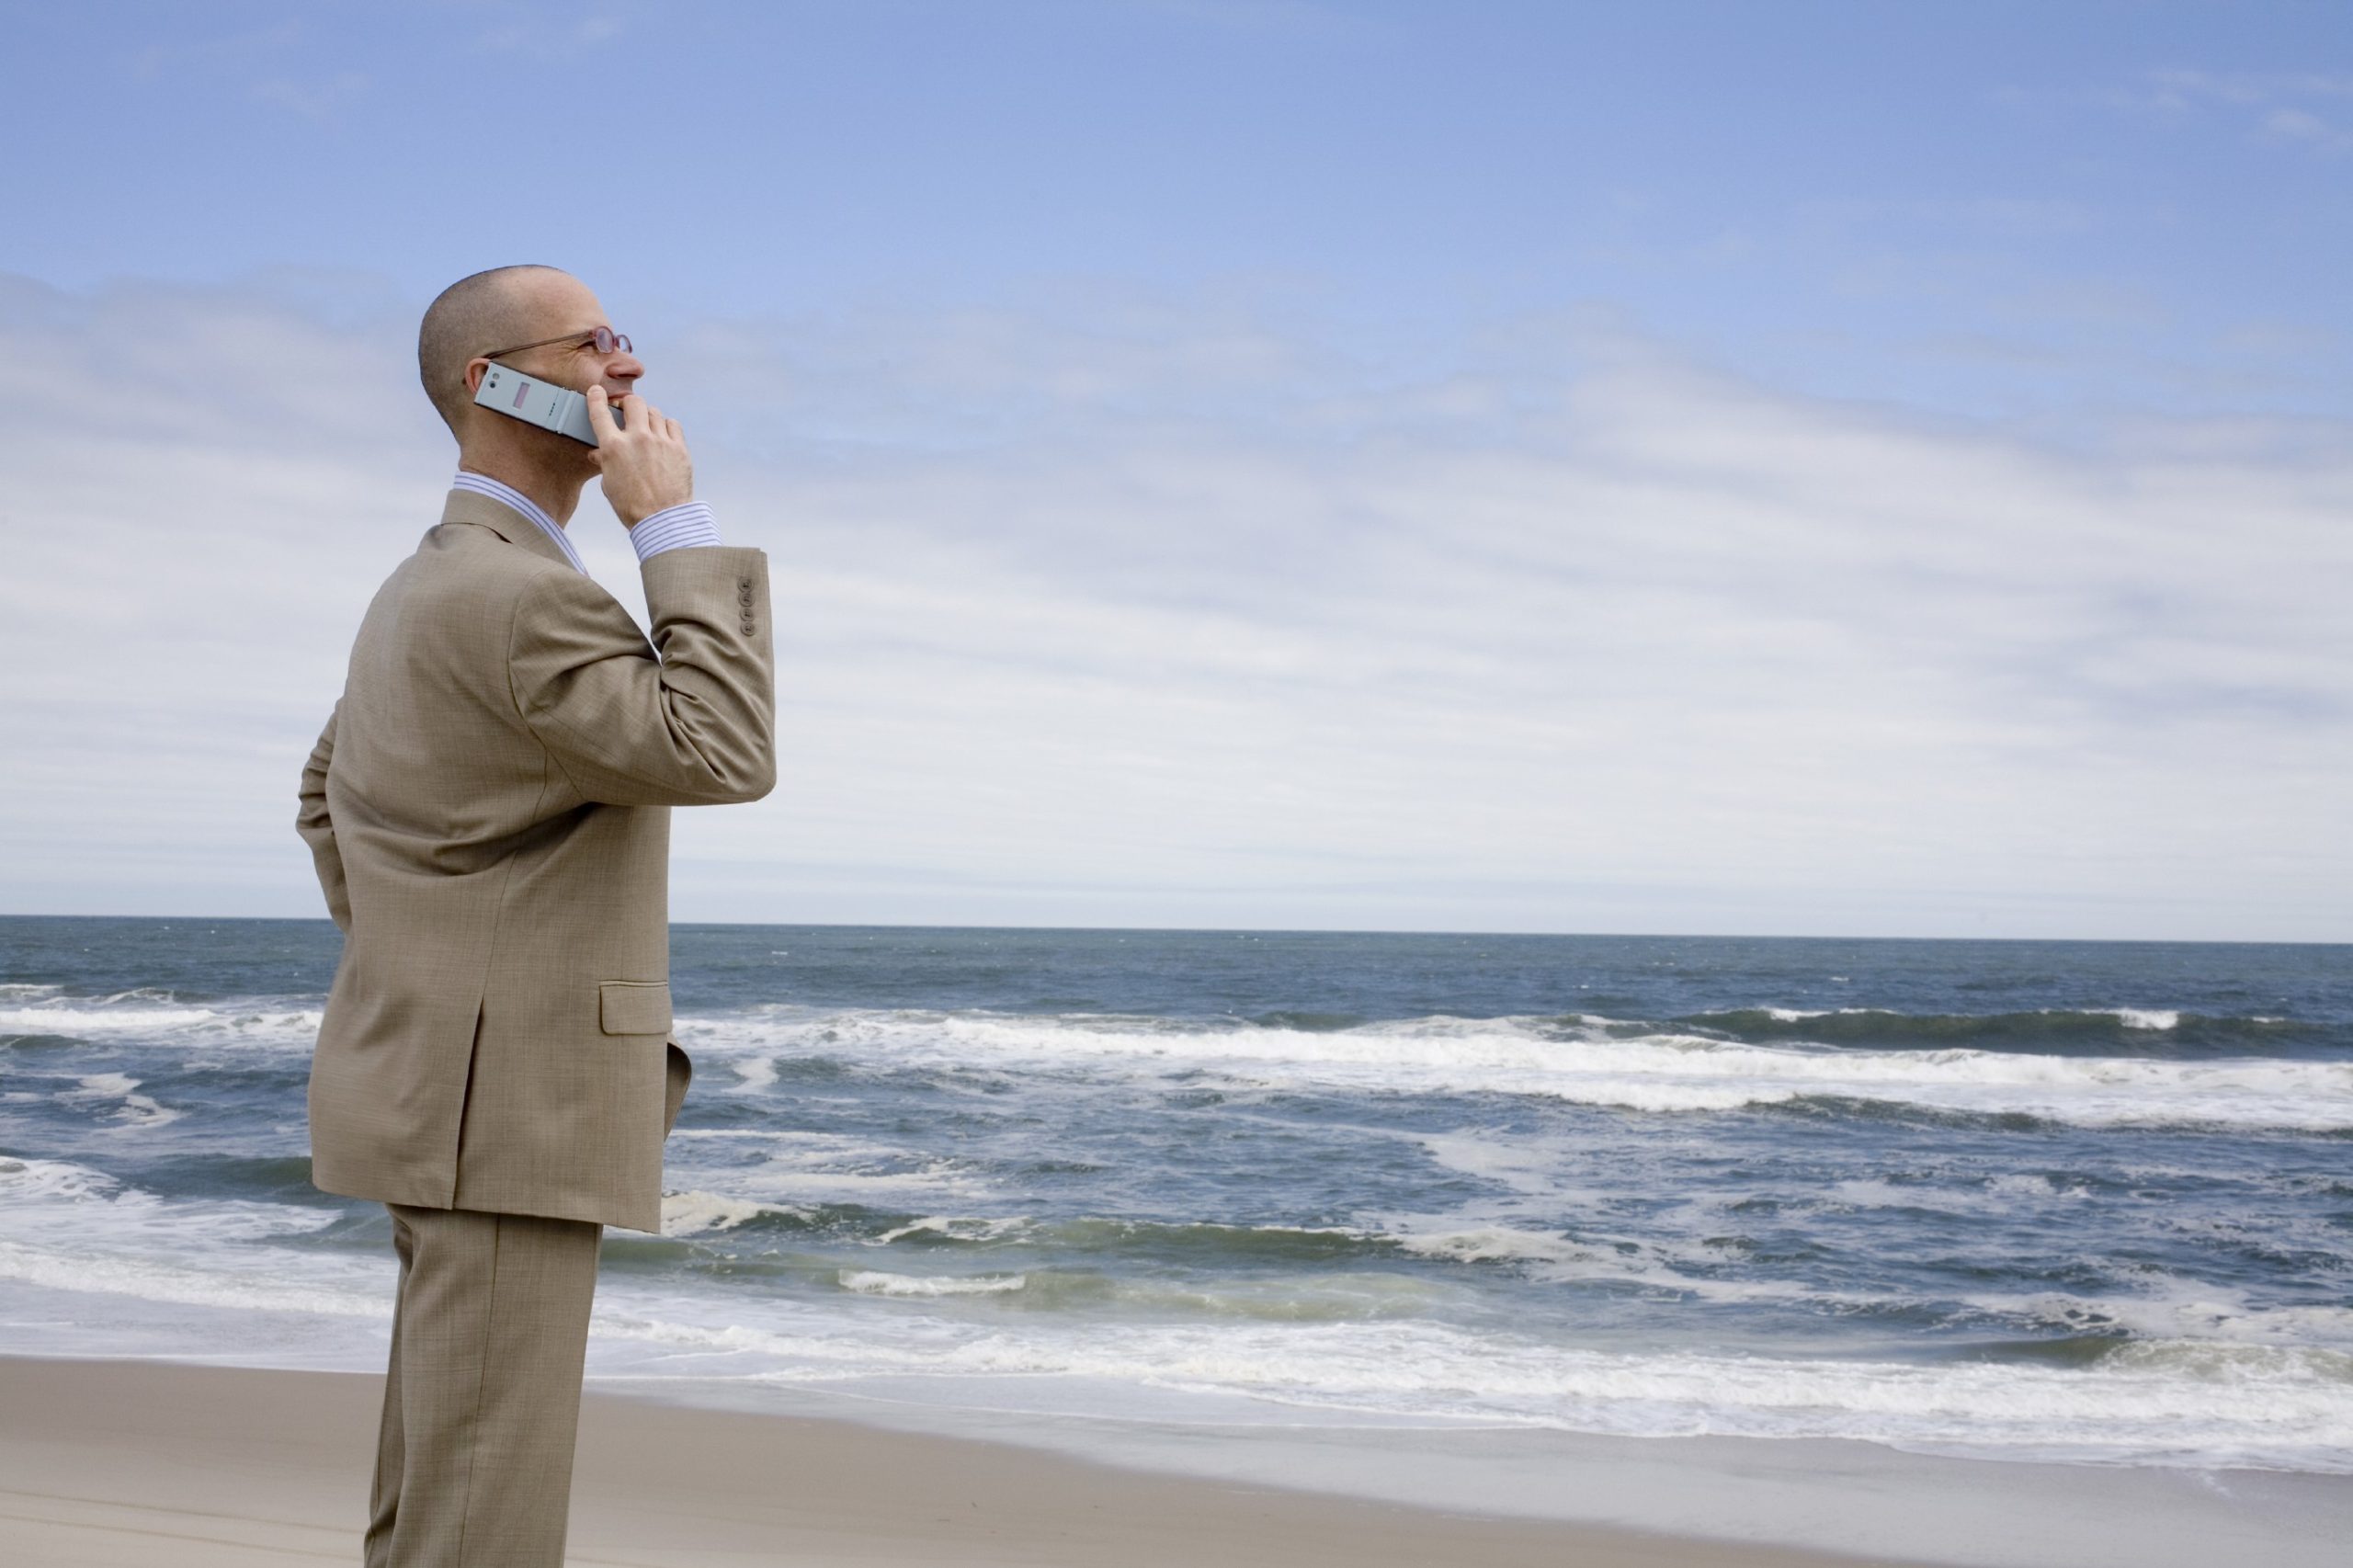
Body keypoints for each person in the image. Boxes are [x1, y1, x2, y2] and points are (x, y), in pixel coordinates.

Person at [294, 264, 776, 1566]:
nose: (626, 367)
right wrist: (672, 528)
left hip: (441, 1095)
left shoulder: (424, 583)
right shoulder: (519, 595)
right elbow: (723, 747)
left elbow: (324, 795)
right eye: (591, 345)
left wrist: (431, 967)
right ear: (487, 382)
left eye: (626, 341)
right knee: (480, 1512)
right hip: (500, 1114)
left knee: (440, 1482)